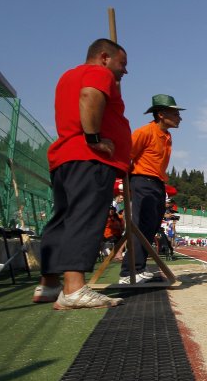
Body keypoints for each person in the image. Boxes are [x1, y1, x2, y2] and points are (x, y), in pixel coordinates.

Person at [34, 38, 131, 309]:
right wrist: (94, 138)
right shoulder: (98, 73)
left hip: (65, 157)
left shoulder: (68, 75)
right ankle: (74, 288)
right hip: (89, 157)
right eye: (122, 64)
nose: (125, 71)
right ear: (104, 57)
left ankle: (49, 283)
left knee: (63, 218)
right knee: (84, 216)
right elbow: (89, 95)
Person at [119, 94, 184, 284]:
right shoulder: (145, 132)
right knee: (141, 225)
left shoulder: (167, 136)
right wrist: (128, 183)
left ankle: (139, 267)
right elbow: (127, 155)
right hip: (142, 180)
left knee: (153, 226)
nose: (180, 117)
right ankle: (128, 272)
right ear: (162, 114)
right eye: (176, 113)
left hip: (156, 183)